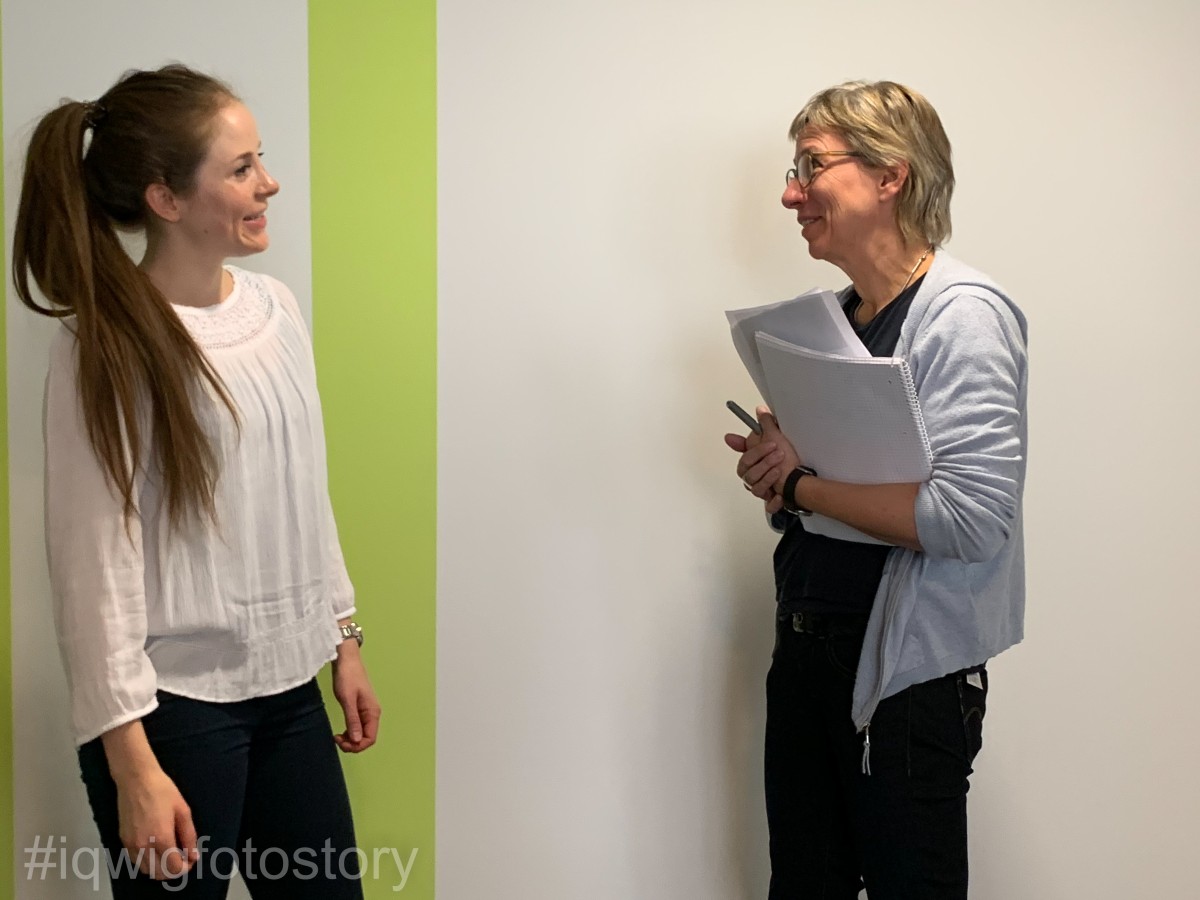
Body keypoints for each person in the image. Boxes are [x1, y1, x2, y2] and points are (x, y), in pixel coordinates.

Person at [13, 64, 380, 898]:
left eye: (262, 159)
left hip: (291, 694)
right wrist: (131, 763)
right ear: (167, 200)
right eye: (242, 168)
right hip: (174, 715)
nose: (269, 183)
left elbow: (302, 492)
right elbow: (90, 568)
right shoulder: (100, 347)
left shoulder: (277, 310)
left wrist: (343, 637)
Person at [725, 80, 1028, 899]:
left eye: (810, 166)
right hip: (808, 652)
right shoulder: (833, 322)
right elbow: (815, 501)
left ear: (890, 175)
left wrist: (805, 482)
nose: (791, 192)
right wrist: (779, 480)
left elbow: (971, 519)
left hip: (906, 681)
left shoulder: (964, 315)